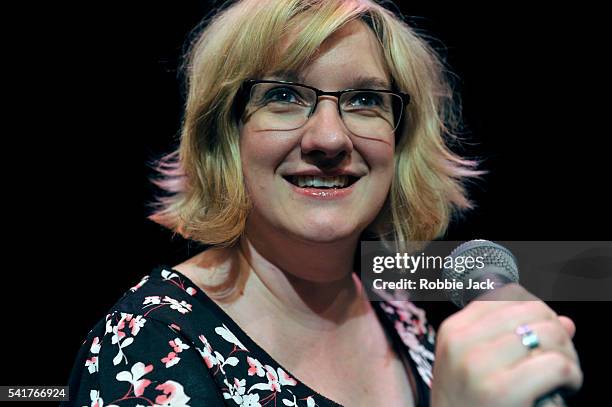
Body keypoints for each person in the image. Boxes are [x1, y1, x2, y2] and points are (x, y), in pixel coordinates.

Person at [64, 0, 583, 406]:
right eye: (284, 95)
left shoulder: (401, 314)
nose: (329, 139)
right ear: (225, 135)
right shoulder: (149, 345)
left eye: (364, 100)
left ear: (400, 141)